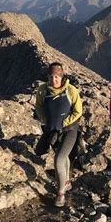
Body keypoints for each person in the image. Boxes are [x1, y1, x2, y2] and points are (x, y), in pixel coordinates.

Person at [35, 62, 83, 207]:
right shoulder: (43, 90)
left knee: (58, 159)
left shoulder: (71, 90)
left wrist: (64, 123)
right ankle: (66, 181)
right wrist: (45, 120)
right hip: (52, 130)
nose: (54, 79)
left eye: (57, 76)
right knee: (64, 157)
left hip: (69, 131)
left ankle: (61, 193)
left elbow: (78, 111)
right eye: (51, 76)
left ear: (62, 77)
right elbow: (39, 107)